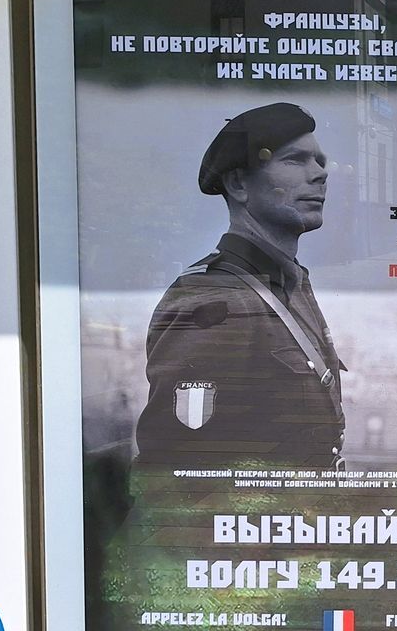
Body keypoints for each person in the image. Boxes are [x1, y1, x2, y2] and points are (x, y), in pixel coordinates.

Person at [133, 102, 348, 470]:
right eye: (295, 160)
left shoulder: (291, 282)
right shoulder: (216, 299)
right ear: (238, 184)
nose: (319, 174)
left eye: (319, 161)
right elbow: (178, 473)